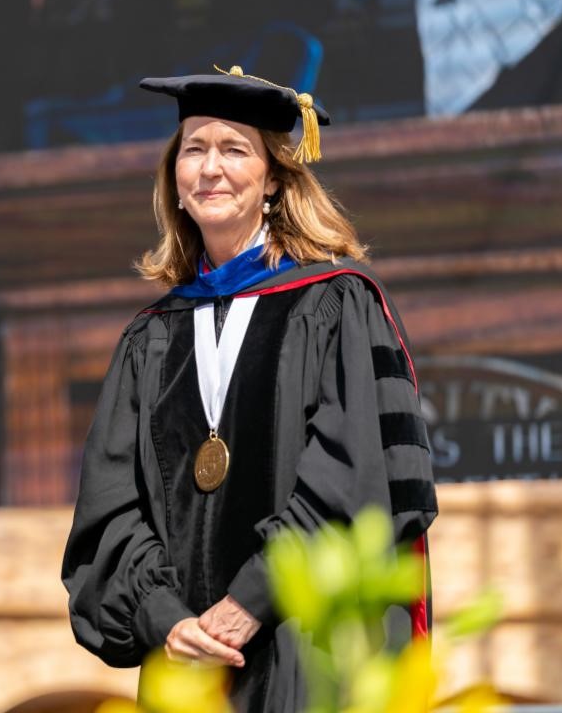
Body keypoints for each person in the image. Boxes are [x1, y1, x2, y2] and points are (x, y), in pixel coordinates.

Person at [61, 67, 438, 711]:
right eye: (193, 149)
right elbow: (110, 513)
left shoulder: (335, 305)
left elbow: (358, 480)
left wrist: (249, 601)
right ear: (174, 182)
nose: (210, 169)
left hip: (308, 652)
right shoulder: (150, 339)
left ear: (273, 181)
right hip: (187, 674)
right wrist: (165, 619)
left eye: (234, 149)